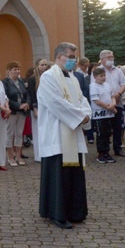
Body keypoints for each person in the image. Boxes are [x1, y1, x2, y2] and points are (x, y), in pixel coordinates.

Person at [38, 42, 91, 229]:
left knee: (74, 174)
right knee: (59, 175)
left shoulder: (74, 78)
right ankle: (57, 213)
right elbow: (55, 103)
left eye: (74, 57)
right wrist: (79, 116)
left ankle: (75, 211)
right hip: (56, 134)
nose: (73, 61)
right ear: (59, 56)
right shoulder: (48, 77)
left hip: (72, 132)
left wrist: (87, 114)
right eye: (70, 57)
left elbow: (82, 99)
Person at [91, 50, 125, 157]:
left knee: (118, 127)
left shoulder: (118, 70)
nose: (111, 59)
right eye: (108, 57)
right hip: (103, 106)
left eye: (112, 57)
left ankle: (118, 148)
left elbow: (124, 83)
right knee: (104, 130)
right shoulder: (97, 71)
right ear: (102, 59)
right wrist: (108, 104)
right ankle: (104, 151)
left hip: (117, 102)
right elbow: (94, 87)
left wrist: (118, 94)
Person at [2, 61, 30, 166]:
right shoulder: (5, 82)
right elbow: (6, 97)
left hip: (22, 111)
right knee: (10, 134)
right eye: (14, 69)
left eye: (18, 69)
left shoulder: (22, 81)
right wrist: (18, 106)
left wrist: (27, 103)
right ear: (9, 70)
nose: (17, 71)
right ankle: (10, 156)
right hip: (13, 111)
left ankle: (18, 155)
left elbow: (27, 94)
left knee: (19, 133)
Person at [90, 67, 117, 164]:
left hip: (108, 114)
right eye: (101, 76)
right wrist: (107, 107)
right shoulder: (93, 86)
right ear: (95, 77)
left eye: (104, 75)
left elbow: (112, 97)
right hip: (99, 114)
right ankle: (101, 153)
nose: (103, 78)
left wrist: (113, 104)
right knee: (101, 134)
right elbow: (96, 100)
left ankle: (107, 152)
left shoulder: (107, 85)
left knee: (108, 133)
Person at [27, 59, 49, 162]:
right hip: (37, 107)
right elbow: (32, 95)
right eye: (42, 65)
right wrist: (35, 108)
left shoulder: (48, 77)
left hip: (47, 107)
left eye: (45, 65)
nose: (44, 67)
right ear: (37, 66)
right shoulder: (32, 79)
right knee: (37, 131)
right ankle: (38, 155)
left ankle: (46, 152)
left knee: (45, 131)